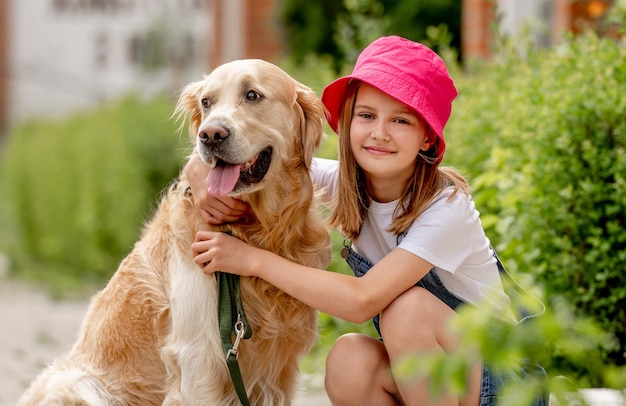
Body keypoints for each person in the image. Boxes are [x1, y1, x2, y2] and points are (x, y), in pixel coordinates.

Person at [186, 36, 547, 406]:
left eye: (401, 120)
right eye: (367, 115)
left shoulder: (446, 208)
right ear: (348, 121)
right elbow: (256, 153)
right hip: (443, 379)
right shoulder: (343, 182)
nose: (380, 133)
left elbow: (362, 302)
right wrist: (198, 173)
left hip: (505, 384)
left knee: (407, 311)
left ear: (427, 138)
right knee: (349, 359)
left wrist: (251, 260)